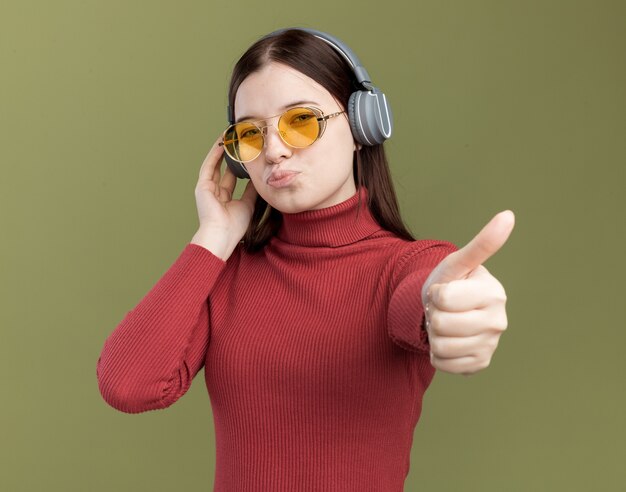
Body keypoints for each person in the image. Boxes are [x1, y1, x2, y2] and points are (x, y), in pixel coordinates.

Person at [96, 27, 514, 491]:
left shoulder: (404, 268)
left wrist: (455, 306)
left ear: (361, 127)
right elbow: (128, 385)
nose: (274, 150)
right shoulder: (225, 274)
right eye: (251, 134)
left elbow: (428, 293)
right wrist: (214, 236)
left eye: (301, 121)